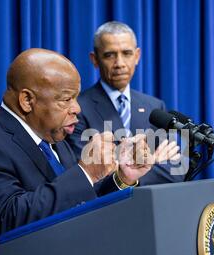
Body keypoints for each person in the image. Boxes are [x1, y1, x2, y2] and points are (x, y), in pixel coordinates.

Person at [0, 48, 178, 255]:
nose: (77, 108)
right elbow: (8, 221)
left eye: (76, 98)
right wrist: (86, 172)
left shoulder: (54, 137)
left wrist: (120, 179)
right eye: (66, 99)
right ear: (27, 100)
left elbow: (74, 204)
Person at [67, 21, 183, 184]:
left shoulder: (155, 107)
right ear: (94, 59)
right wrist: (152, 162)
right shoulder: (77, 109)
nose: (119, 63)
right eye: (109, 55)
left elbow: (176, 171)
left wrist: (122, 169)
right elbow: (86, 175)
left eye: (127, 53)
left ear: (137, 56)